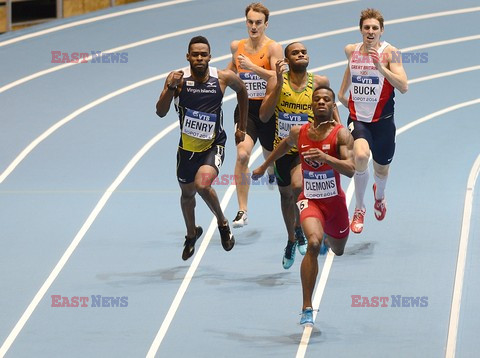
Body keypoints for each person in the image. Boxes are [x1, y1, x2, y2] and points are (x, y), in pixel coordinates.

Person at [253, 86, 355, 326]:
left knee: (338, 250)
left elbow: (351, 169)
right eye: (317, 99)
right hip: (310, 201)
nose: (321, 102)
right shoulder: (300, 132)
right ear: (311, 105)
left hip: (335, 204)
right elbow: (284, 145)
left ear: (332, 106)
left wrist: (327, 158)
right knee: (313, 243)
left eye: (326, 99)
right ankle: (306, 307)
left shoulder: (341, 135)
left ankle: (330, 239)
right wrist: (263, 165)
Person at [156, 35, 248, 260]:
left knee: (202, 184)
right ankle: (191, 234)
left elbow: (243, 91)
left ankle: (222, 223)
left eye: (203, 54)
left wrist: (241, 127)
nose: (199, 58)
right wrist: (170, 88)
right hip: (186, 150)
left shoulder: (222, 78)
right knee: (187, 195)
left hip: (213, 145)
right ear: (188, 57)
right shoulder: (177, 79)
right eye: (194, 54)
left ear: (210, 56)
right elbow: (160, 111)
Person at [258, 42, 339, 269]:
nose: (301, 54)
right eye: (295, 53)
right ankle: (292, 237)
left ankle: (306, 230)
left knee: (298, 188)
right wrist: (279, 84)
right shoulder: (276, 82)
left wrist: (341, 132)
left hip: (306, 149)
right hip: (283, 147)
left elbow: (332, 107)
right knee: (285, 197)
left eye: (304, 52)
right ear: (286, 59)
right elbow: (264, 116)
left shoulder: (319, 82)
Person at [338, 8, 408, 234]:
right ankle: (359, 208)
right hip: (359, 119)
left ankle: (379, 196)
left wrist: (380, 68)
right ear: (360, 30)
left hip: (384, 122)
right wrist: (342, 92)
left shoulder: (392, 53)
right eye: (366, 27)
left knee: (382, 169)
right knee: (359, 156)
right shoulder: (351, 50)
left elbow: (404, 86)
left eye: (374, 28)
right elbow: (350, 69)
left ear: (381, 31)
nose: (370, 31)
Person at [227, 2, 283, 229]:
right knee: (242, 155)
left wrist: (252, 66)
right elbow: (230, 72)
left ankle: (270, 169)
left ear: (266, 24)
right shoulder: (236, 46)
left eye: (258, 23)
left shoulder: (273, 48)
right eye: (250, 22)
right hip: (245, 110)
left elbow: (277, 77)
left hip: (268, 110)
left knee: (272, 157)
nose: (253, 26)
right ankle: (242, 210)